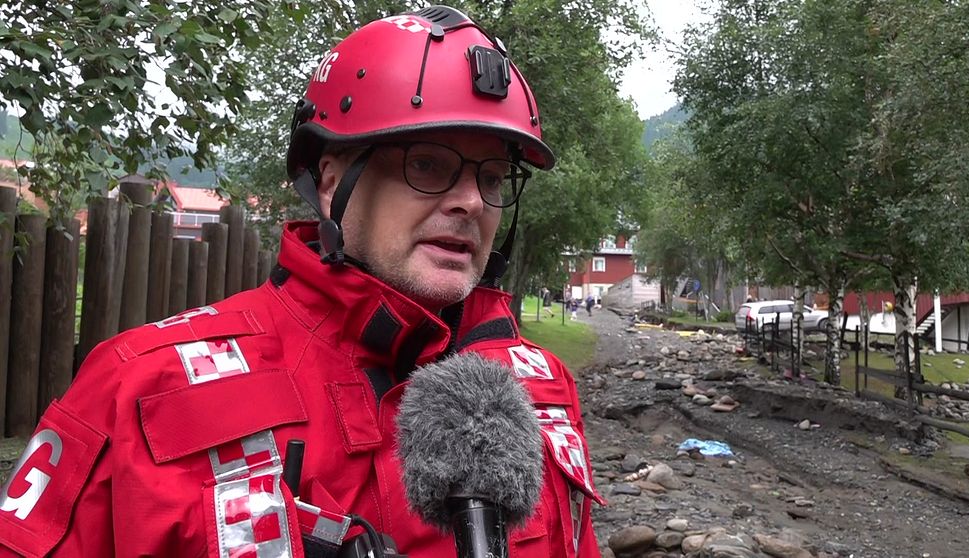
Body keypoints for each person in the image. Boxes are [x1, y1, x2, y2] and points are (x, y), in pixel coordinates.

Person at [0, 7, 602, 558]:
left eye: (493, 178)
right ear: (334, 181)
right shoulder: (136, 385)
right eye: (427, 164)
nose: (472, 201)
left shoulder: (542, 388)